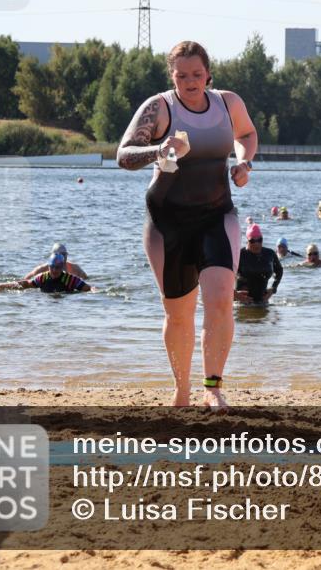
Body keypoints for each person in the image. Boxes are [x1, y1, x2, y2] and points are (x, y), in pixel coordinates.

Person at [116, 40, 258, 410]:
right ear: (172, 76)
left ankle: (213, 388)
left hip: (217, 215)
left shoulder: (228, 103)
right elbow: (123, 155)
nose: (190, 82)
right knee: (179, 314)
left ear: (208, 74)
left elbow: (246, 135)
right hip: (168, 222)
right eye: (181, 76)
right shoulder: (159, 108)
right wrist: (159, 150)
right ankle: (181, 391)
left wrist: (244, 163)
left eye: (196, 74)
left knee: (221, 298)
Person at [0, 252, 92, 293]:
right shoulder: (43, 277)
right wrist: (2, 286)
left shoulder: (70, 279)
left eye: (57, 267)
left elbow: (89, 288)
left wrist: (95, 291)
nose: (54, 270)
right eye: (52, 267)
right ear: (48, 266)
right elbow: (25, 284)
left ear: (62, 267)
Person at [236, 224, 283, 304]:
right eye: (252, 241)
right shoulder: (239, 255)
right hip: (241, 304)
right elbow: (224, 276)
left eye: (259, 240)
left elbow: (279, 270)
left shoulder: (269, 254)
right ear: (247, 241)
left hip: (262, 303)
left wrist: (273, 289)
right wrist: (235, 294)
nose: (256, 243)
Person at [24, 243, 88, 280]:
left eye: (65, 254)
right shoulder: (42, 269)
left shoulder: (75, 268)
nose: (63, 257)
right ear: (53, 256)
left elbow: (86, 280)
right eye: (61, 254)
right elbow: (26, 280)